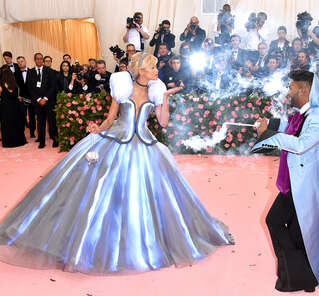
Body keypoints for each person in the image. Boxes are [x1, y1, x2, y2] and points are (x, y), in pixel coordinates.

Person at [0, 52, 234, 274]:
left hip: (145, 146)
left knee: (149, 195)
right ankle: (104, 243)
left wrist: (164, 98)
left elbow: (162, 123)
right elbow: (111, 118)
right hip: (117, 142)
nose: (156, 70)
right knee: (105, 193)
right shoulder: (122, 87)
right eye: (152, 67)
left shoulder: (156, 90)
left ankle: (143, 242)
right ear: (140, 70)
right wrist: (96, 129)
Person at [253, 70, 319, 292]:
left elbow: (301, 144)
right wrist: (269, 125)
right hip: (298, 180)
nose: (288, 92)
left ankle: (299, 275)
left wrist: (268, 134)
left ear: (304, 90)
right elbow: (291, 128)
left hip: (313, 183)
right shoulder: (304, 113)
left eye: (291, 88)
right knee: (296, 229)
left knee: (276, 221)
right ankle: (302, 276)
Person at [27, 53, 58, 148]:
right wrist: (39, 99)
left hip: (49, 101)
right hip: (38, 103)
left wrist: (45, 98)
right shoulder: (30, 72)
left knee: (52, 122)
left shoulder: (49, 71)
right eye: (37, 59)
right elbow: (30, 88)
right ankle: (41, 141)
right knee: (40, 123)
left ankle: (55, 140)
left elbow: (53, 86)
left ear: (43, 60)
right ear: (34, 60)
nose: (39, 60)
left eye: (41, 59)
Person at [0, 66, 27, 148]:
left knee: (7, 125)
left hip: (5, 107)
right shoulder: (16, 86)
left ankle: (8, 143)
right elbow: (18, 96)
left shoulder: (1, 85)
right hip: (15, 107)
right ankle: (19, 141)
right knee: (16, 124)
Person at [15, 56, 36, 138]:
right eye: (19, 62)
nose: (20, 63)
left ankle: (32, 132)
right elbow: (15, 87)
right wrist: (18, 96)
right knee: (21, 116)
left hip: (31, 98)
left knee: (32, 116)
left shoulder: (32, 72)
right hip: (21, 98)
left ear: (25, 61)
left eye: (22, 61)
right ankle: (22, 133)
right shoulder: (15, 73)